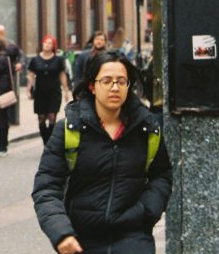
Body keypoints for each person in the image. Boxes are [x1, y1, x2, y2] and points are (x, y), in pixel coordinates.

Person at [32, 51, 172, 254]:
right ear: (92, 86)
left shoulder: (146, 129)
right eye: (106, 81)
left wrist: (147, 211)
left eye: (121, 81)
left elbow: (162, 176)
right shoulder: (70, 129)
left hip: (134, 239)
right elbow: (46, 187)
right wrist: (61, 232)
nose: (114, 87)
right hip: (81, 241)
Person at [28, 34, 71, 144]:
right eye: (45, 43)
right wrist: (29, 89)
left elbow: (62, 75)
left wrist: (66, 91)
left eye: (49, 43)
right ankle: (46, 140)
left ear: (53, 46)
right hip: (40, 93)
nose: (47, 45)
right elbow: (31, 75)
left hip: (54, 92)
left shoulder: (58, 60)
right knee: (41, 118)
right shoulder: (35, 60)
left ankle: (49, 142)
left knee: (52, 116)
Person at [0, 23, 25, 126]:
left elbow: (21, 55)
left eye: (1, 32)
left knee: (9, 97)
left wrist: (20, 63)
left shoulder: (10, 44)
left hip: (9, 75)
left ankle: (11, 120)